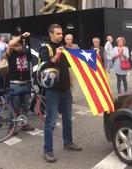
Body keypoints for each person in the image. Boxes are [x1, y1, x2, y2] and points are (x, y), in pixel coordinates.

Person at [39, 24, 82, 163]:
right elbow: (45, 66)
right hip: (53, 92)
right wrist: (56, 55)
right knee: (50, 122)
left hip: (65, 90)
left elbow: (71, 65)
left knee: (68, 119)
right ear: (51, 34)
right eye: (57, 33)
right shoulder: (46, 49)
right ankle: (48, 150)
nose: (60, 35)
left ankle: (68, 142)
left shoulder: (65, 48)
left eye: (61, 33)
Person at [4, 32, 34, 134]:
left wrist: (25, 39)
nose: (18, 46)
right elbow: (10, 44)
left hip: (26, 83)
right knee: (13, 107)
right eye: (16, 44)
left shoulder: (25, 52)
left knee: (25, 106)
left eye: (19, 44)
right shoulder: (10, 52)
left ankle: (24, 124)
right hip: (14, 84)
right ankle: (11, 127)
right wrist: (21, 36)